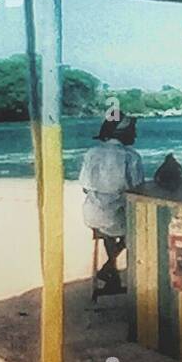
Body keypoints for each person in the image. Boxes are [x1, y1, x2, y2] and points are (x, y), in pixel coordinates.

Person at [79, 115, 144, 294]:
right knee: (136, 227)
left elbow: (85, 186)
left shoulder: (91, 153)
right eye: (133, 131)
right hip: (116, 217)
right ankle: (108, 267)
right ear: (124, 133)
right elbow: (137, 189)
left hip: (92, 214)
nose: (136, 135)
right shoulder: (131, 157)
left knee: (108, 224)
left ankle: (112, 273)